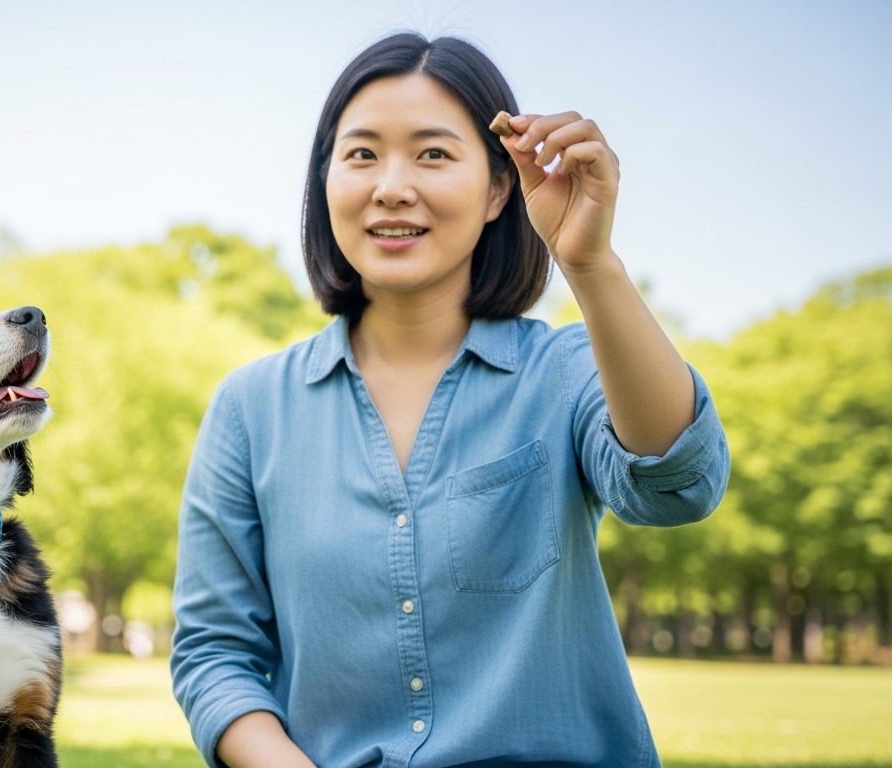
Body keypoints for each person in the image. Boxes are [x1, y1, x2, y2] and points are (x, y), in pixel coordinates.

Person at [170, 32, 729, 768]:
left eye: (433, 153)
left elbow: (679, 486)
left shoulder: (564, 371)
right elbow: (215, 655)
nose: (391, 186)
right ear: (326, 181)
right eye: (362, 154)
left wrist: (590, 264)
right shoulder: (251, 408)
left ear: (500, 188)